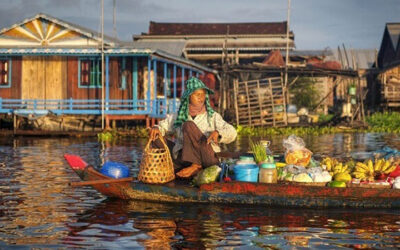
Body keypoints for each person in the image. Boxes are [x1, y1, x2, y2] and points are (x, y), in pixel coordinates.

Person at [149, 77, 237, 178]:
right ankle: (178, 167)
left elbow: (232, 132)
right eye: (198, 94)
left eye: (203, 94)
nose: (201, 98)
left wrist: (218, 133)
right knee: (155, 137)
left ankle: (196, 166)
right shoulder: (179, 115)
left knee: (188, 125)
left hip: (206, 158)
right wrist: (156, 128)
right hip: (183, 159)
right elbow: (163, 126)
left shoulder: (212, 116)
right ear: (189, 96)